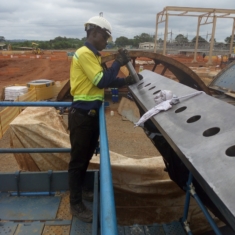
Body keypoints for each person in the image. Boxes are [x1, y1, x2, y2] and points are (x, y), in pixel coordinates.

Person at [68, 14, 142, 223]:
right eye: (106, 37)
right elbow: (101, 81)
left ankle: (82, 191)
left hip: (89, 115)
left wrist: (127, 79)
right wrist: (118, 63)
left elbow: (107, 78)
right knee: (78, 161)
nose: (106, 42)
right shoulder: (84, 54)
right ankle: (75, 204)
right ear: (95, 33)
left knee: (85, 156)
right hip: (82, 116)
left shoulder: (93, 55)